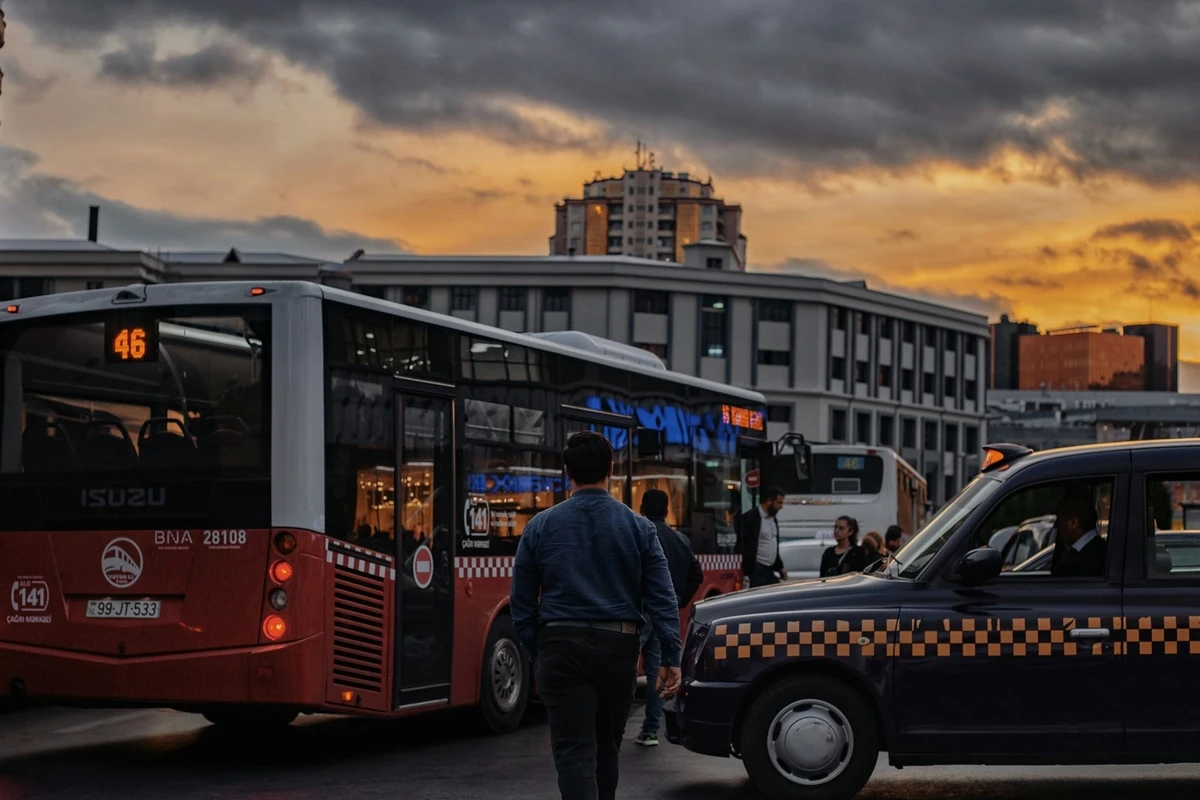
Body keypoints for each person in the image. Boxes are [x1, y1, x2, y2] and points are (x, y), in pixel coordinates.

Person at [510, 432, 682, 800]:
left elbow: (521, 604)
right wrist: (670, 656)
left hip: (559, 644)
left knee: (574, 751)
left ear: (566, 472)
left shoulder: (539, 526)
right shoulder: (639, 527)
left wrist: (538, 651)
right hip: (617, 647)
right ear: (612, 469)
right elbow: (662, 598)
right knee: (607, 746)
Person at [635, 489, 703, 747]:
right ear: (666, 510)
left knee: (626, 664)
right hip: (666, 611)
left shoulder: (639, 532)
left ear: (641, 507)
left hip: (640, 610)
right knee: (656, 672)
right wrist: (680, 600)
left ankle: (612, 729)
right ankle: (651, 730)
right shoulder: (680, 539)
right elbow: (697, 574)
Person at [740, 486, 788, 586]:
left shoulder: (773, 520)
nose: (781, 506)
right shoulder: (751, 518)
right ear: (769, 501)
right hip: (756, 569)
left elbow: (773, 545)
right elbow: (745, 545)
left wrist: (780, 567)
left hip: (769, 569)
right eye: (779, 503)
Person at [1050, 491, 1106, 578]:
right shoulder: (1098, 550)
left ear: (1073, 523)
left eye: (1059, 520)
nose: (1055, 526)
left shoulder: (1087, 560)